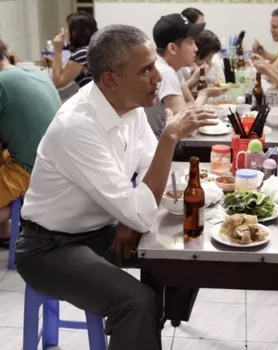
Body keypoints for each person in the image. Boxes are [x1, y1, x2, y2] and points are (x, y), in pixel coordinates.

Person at [15, 24, 219, 350]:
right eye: (146, 70)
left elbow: (150, 169)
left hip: (100, 229)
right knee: (134, 302)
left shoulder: (130, 107)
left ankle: (153, 323)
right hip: (49, 248)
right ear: (111, 80)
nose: (157, 77)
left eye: (155, 65)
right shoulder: (78, 127)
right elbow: (146, 194)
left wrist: (126, 215)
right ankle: (142, 322)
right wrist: (170, 136)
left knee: (187, 251)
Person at [0, 39, 60, 249]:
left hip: (31, 170)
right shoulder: (33, 72)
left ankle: (10, 225)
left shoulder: (1, 83)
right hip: (53, 164)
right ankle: (6, 230)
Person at [145, 13, 227, 138]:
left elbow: (190, 102)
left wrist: (190, 107)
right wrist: (204, 94)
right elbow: (187, 129)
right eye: (191, 41)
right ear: (172, 48)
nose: (196, 48)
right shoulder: (165, 73)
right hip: (157, 150)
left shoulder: (173, 68)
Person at [49, 12, 98, 88]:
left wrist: (57, 51)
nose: (65, 32)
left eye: (67, 28)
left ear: (76, 32)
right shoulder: (90, 49)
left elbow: (58, 82)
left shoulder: (82, 53)